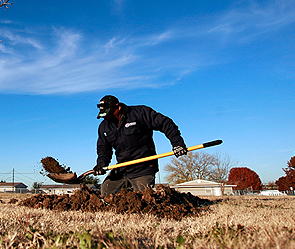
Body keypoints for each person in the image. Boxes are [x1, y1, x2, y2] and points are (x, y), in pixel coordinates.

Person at [94, 95, 187, 196]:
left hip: (144, 167)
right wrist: (101, 164)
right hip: (123, 167)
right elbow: (103, 148)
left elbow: (165, 123)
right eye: (105, 115)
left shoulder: (139, 113)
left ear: (118, 107)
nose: (108, 117)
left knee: (144, 197)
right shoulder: (104, 126)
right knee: (106, 191)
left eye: (110, 114)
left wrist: (177, 144)